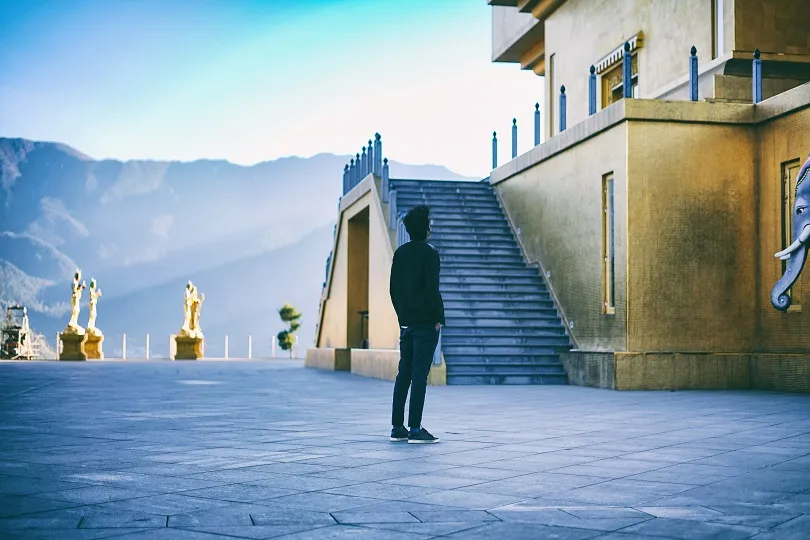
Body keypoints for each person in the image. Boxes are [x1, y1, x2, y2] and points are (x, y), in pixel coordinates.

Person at [389, 204, 445, 444]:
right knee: (420, 375)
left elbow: (393, 290)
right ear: (426, 228)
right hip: (424, 324)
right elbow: (432, 289)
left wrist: (402, 315)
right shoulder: (430, 253)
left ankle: (397, 427)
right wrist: (437, 319)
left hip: (406, 323)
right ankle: (415, 429)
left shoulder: (400, 253)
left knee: (404, 374)